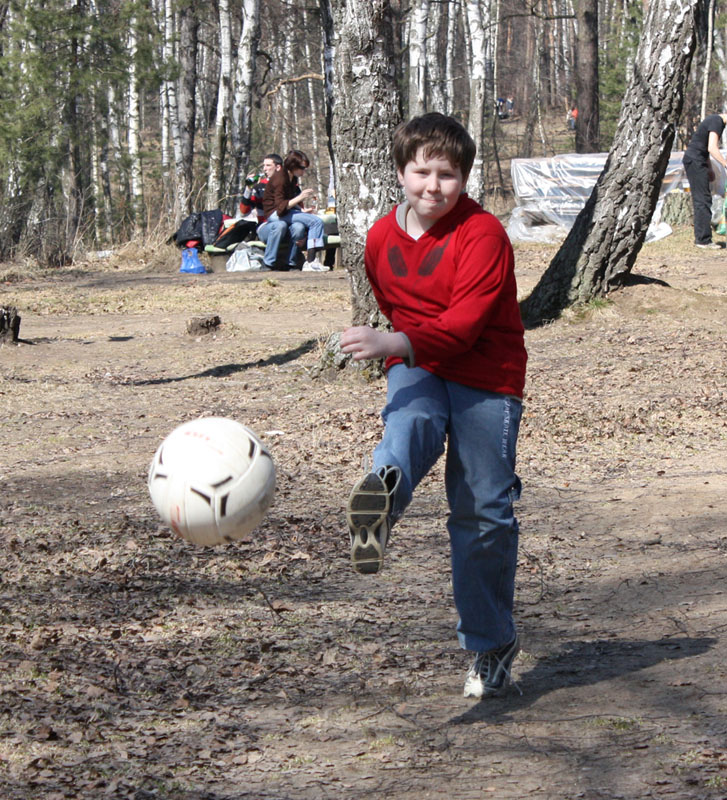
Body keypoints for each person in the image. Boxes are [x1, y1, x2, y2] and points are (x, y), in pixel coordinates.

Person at [339, 112, 527, 700]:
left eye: (448, 174)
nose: (434, 186)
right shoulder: (377, 239)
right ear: (401, 172)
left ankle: (490, 644)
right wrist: (401, 349)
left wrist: (394, 343)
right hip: (418, 363)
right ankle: (381, 499)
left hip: (486, 377)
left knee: (482, 513)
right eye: (422, 171)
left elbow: (467, 325)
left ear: (464, 179)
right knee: (410, 424)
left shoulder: (483, 235)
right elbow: (394, 303)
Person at [259, 149, 329, 271]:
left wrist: (301, 211)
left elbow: (288, 201)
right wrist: (300, 197)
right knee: (316, 222)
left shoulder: (292, 178)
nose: (304, 171)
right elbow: (280, 209)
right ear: (293, 166)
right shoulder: (280, 179)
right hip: (275, 214)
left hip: (285, 212)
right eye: (302, 168)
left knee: (298, 227)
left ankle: (291, 263)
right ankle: (311, 261)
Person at [683, 112, 727, 249]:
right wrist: (725, 163)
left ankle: (702, 238)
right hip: (695, 161)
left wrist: (709, 168)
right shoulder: (717, 121)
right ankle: (703, 240)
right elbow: (712, 148)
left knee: (704, 198)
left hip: (698, 160)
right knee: (702, 199)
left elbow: (703, 148)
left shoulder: (714, 120)